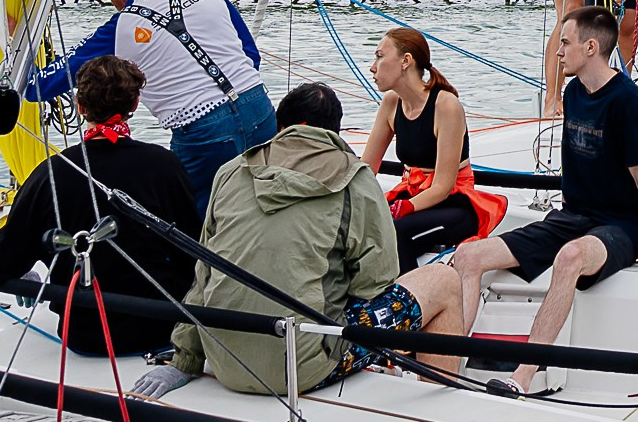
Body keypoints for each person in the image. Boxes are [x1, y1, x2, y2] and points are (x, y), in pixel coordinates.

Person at [134, 82, 465, 400]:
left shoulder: (232, 172)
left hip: (225, 362)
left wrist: (184, 362)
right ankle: (442, 407)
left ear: (281, 127)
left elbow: (205, 273)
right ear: (335, 131)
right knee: (445, 280)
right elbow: (375, 284)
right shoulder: (355, 180)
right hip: (303, 367)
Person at [454, 5, 638, 396]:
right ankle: (449, 362)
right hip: (573, 216)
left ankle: (521, 378)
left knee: (570, 257)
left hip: (622, 226)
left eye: (565, 42)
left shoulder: (628, 103)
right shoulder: (573, 92)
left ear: (591, 47)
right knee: (469, 257)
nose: (557, 51)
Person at [9, 0, 277, 213]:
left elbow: (38, 87)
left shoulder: (120, 27)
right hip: (259, 108)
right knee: (258, 208)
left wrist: (17, 44)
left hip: (203, 132)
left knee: (188, 225)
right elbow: (250, 55)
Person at [0, 56, 200, 356]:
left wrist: (28, 272)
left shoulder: (50, 174)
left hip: (84, 335)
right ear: (134, 104)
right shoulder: (165, 166)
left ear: (80, 107)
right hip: (160, 328)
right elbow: (193, 254)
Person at [360, 27, 507, 269]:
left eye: (379, 56)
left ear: (406, 61)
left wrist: (406, 207)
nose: (372, 67)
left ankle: (411, 303)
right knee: (359, 229)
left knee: (397, 232)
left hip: (455, 204)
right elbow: (366, 169)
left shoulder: (446, 105)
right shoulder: (390, 103)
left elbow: (443, 186)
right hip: (414, 195)